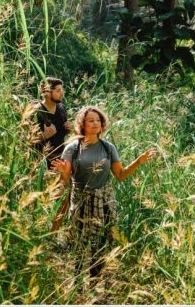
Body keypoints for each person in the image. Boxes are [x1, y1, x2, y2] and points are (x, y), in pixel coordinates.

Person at [50, 106, 155, 288]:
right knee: (81, 243)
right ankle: (77, 285)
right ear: (82, 124)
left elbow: (120, 175)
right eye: (90, 120)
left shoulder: (108, 147)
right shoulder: (73, 148)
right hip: (81, 200)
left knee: (101, 242)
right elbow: (66, 180)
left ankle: (95, 286)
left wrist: (138, 162)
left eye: (98, 120)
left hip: (105, 200)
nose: (95, 123)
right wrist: (61, 171)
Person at [31, 77, 73, 167]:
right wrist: (44, 136)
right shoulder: (36, 111)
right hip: (43, 162)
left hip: (61, 158)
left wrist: (68, 129)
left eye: (62, 90)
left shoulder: (61, 108)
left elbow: (61, 133)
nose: (62, 93)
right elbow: (27, 141)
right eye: (58, 90)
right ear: (47, 92)